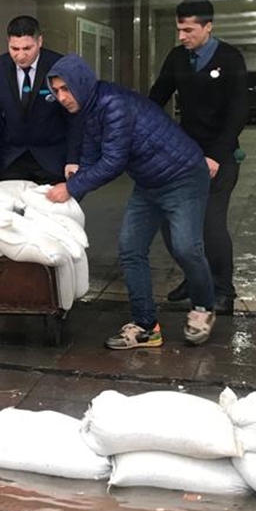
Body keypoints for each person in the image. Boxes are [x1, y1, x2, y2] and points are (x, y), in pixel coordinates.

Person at [45, 54, 216, 349]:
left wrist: (70, 189)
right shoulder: (86, 110)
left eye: (66, 89)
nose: (62, 97)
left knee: (187, 247)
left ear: (82, 83)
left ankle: (203, 309)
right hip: (149, 182)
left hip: (184, 176)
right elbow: (89, 153)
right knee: (130, 248)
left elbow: (112, 162)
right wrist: (69, 200)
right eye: (57, 91)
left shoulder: (114, 104)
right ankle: (146, 326)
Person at [149, 0, 247, 316]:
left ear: (208, 27)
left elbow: (238, 113)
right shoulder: (178, 58)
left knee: (210, 225)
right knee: (168, 219)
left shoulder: (230, 58)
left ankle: (223, 291)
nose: (182, 36)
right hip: (185, 156)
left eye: (189, 30)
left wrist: (217, 156)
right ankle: (195, 278)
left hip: (220, 156)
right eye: (179, 29)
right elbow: (156, 98)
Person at [0, 15, 79, 185]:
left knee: (52, 209)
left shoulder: (59, 65)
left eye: (27, 48)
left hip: (52, 158)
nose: (21, 55)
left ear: (39, 41)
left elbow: (73, 116)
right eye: (14, 49)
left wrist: (73, 159)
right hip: (13, 158)